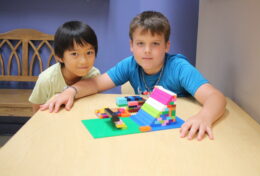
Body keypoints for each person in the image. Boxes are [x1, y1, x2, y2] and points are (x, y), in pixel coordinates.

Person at [40, 11, 226, 141]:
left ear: (167, 46)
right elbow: (96, 83)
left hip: (179, 132)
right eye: (140, 43)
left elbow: (215, 97)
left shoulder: (178, 67)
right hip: (145, 132)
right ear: (131, 45)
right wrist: (71, 91)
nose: (147, 51)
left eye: (155, 43)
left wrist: (204, 116)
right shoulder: (130, 64)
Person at [29, 21, 100, 113]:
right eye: (74, 54)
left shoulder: (94, 75)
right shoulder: (46, 79)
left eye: (89, 52)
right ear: (59, 56)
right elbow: (36, 114)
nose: (84, 61)